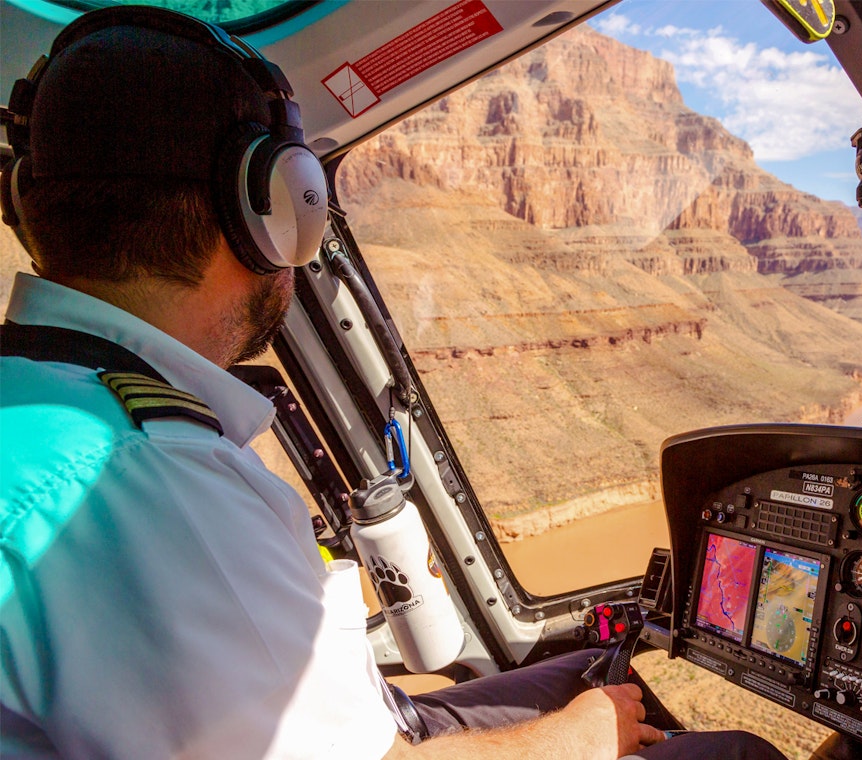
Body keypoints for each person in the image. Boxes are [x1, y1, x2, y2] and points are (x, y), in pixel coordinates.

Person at [0, 7, 787, 760]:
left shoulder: (51, 399)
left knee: (588, 673)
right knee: (737, 753)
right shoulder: (148, 482)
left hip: (365, 720)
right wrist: (584, 737)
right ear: (272, 204)